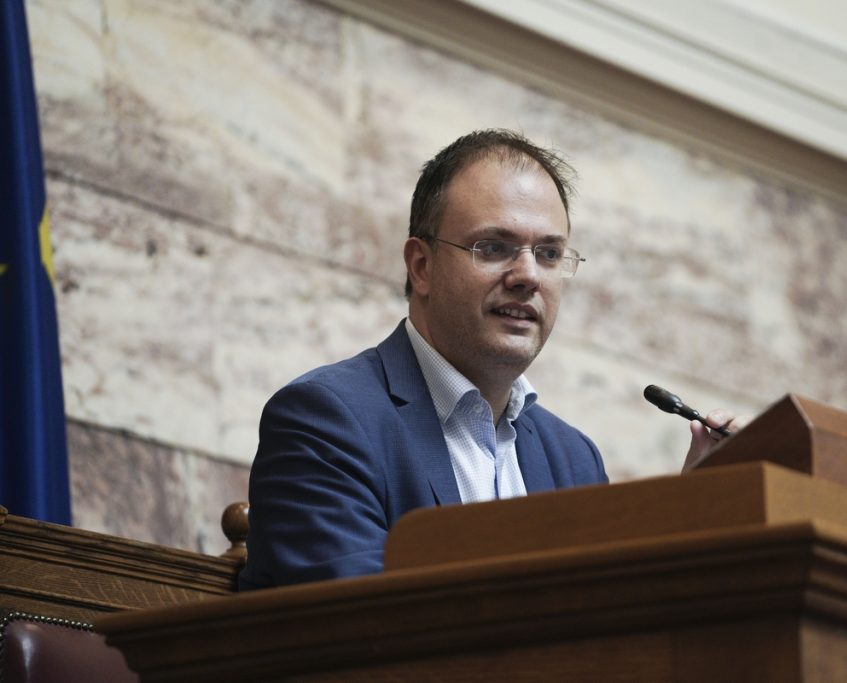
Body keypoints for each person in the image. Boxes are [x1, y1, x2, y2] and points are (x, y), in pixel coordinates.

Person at [239, 130, 741, 590]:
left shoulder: (572, 460)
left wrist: (689, 517)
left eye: (549, 254)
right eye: (495, 247)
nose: (529, 276)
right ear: (422, 266)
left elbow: (612, 625)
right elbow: (360, 628)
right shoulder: (327, 421)